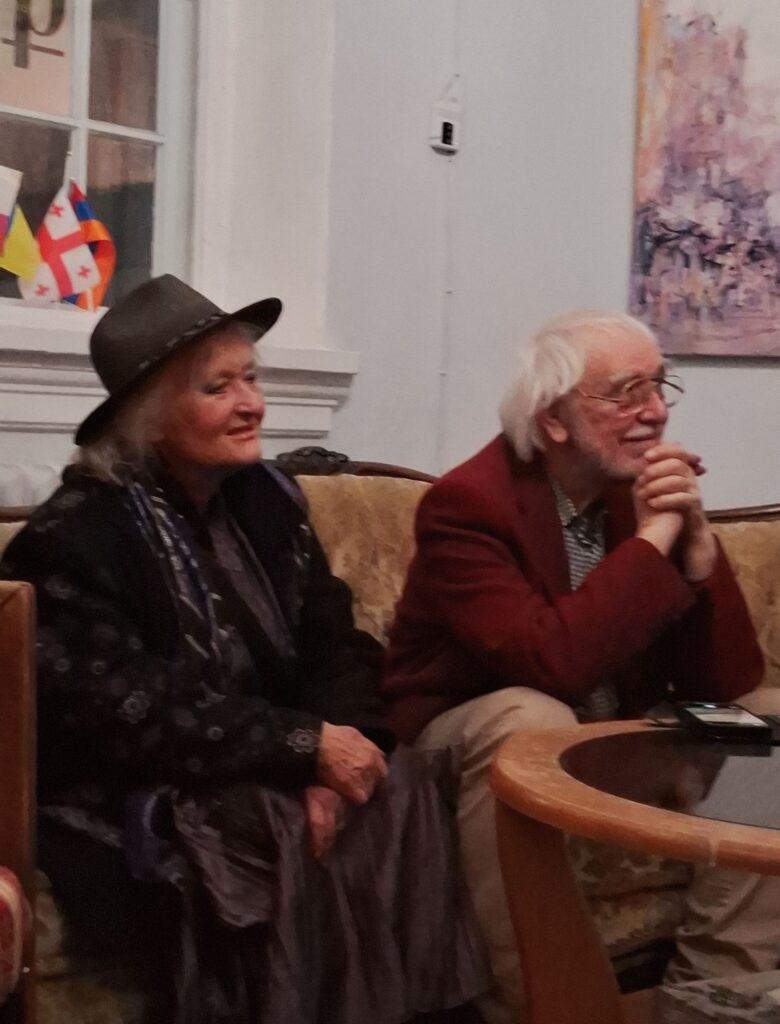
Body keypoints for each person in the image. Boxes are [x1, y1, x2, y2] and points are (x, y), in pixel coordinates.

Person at [0, 275, 488, 1024]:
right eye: (217, 387)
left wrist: (338, 751)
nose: (251, 403)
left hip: (265, 756)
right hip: (136, 789)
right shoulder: (75, 538)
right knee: (274, 827)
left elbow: (338, 644)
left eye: (251, 378)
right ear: (149, 419)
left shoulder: (270, 505)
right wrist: (301, 748)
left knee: (397, 783)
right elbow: (133, 713)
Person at [383, 309, 779, 1023]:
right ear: (553, 419)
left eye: (659, 386)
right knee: (529, 717)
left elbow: (726, 685)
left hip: (599, 741)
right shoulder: (467, 506)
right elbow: (552, 663)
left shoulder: (633, 495)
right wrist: (655, 540)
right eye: (626, 392)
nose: (655, 412)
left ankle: (715, 994)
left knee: (769, 719)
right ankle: (542, 1006)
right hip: (466, 749)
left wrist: (698, 553)